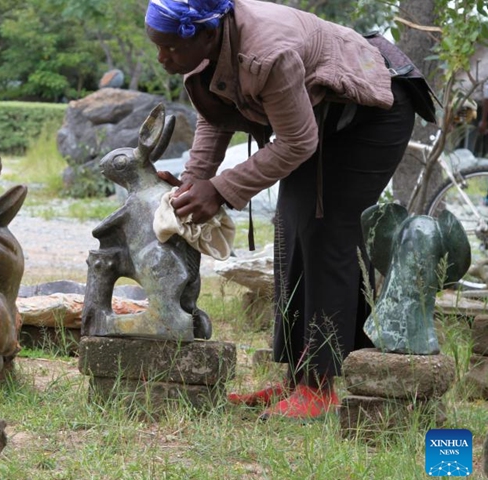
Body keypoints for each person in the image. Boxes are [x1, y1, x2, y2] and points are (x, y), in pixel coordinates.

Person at [145, 0, 433, 420]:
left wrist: (220, 189)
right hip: (320, 118)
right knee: (291, 228)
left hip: (373, 111)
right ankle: (297, 378)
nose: (161, 57)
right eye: (157, 46)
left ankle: (319, 388)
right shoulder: (207, 38)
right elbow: (215, 113)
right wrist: (194, 179)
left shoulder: (266, 52)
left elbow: (298, 143)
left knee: (327, 231)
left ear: (206, 34)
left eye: (169, 47)